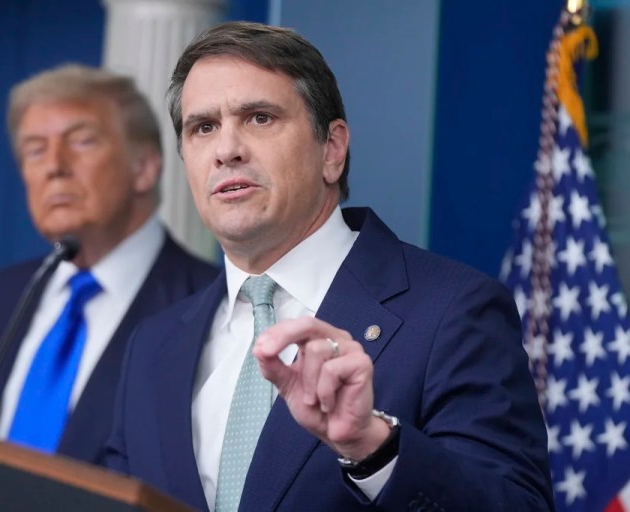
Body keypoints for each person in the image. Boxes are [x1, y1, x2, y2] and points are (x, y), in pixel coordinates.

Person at [106, 22, 554, 511]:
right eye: (203, 127)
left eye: (259, 118)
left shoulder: (453, 311)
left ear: (332, 150)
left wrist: (372, 447)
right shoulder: (152, 347)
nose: (225, 149)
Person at [0, 64, 218, 465]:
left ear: (144, 167)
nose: (54, 166)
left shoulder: (211, 304)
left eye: (81, 141)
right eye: (35, 149)